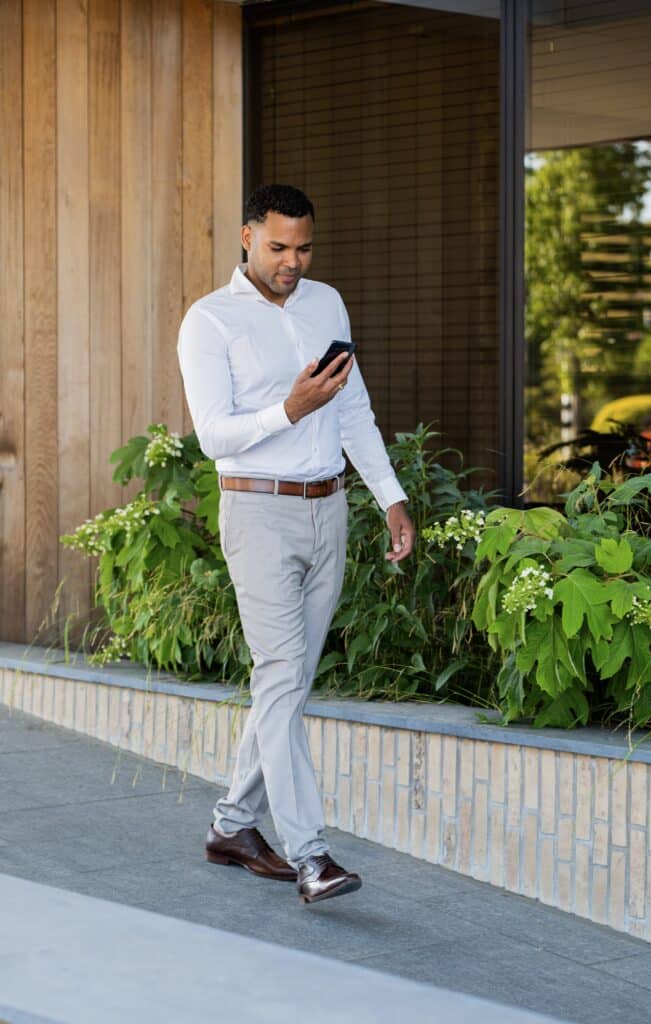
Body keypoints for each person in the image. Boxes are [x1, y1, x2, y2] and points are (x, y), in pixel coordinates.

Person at [177, 183, 416, 904]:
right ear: (247, 236)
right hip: (257, 512)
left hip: (328, 509)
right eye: (279, 247)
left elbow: (354, 408)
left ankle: (230, 825)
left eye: (304, 247)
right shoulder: (209, 322)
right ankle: (311, 854)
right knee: (281, 676)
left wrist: (391, 497)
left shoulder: (326, 304)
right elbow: (212, 435)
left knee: (287, 685)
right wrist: (288, 409)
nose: (293, 261)